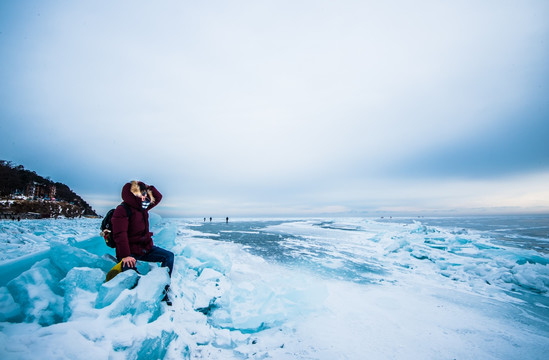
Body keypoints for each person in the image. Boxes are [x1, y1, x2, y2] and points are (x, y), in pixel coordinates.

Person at [111, 180, 174, 305]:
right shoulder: (122, 210)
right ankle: (137, 300)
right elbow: (120, 234)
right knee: (134, 280)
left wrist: (146, 187)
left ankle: (163, 289)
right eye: (141, 194)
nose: (145, 196)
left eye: (145, 194)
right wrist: (125, 255)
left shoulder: (143, 207)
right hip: (130, 252)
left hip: (145, 248)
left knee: (169, 256)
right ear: (134, 194)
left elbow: (158, 197)